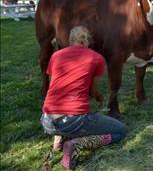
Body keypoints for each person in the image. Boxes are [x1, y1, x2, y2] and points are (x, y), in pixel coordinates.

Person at [40, 26, 125, 169]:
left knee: (63, 113)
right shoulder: (95, 58)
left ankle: (58, 139)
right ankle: (77, 143)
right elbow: (93, 90)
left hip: (47, 120)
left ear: (70, 40)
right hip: (74, 119)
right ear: (88, 41)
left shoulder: (56, 55)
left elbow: (54, 85)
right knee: (120, 130)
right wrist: (99, 96)